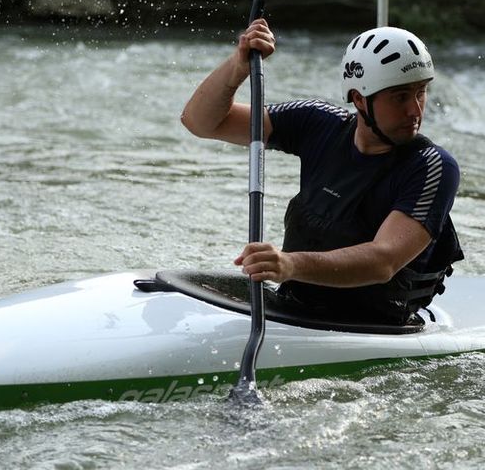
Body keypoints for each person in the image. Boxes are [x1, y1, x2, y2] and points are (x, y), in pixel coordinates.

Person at [181, 19, 463, 325]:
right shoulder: (319, 124)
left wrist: (289, 265)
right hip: (296, 306)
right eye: (400, 97)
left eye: (420, 93)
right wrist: (238, 65)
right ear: (359, 99)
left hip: (373, 325)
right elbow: (200, 122)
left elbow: (384, 260)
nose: (416, 111)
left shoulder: (432, 166)